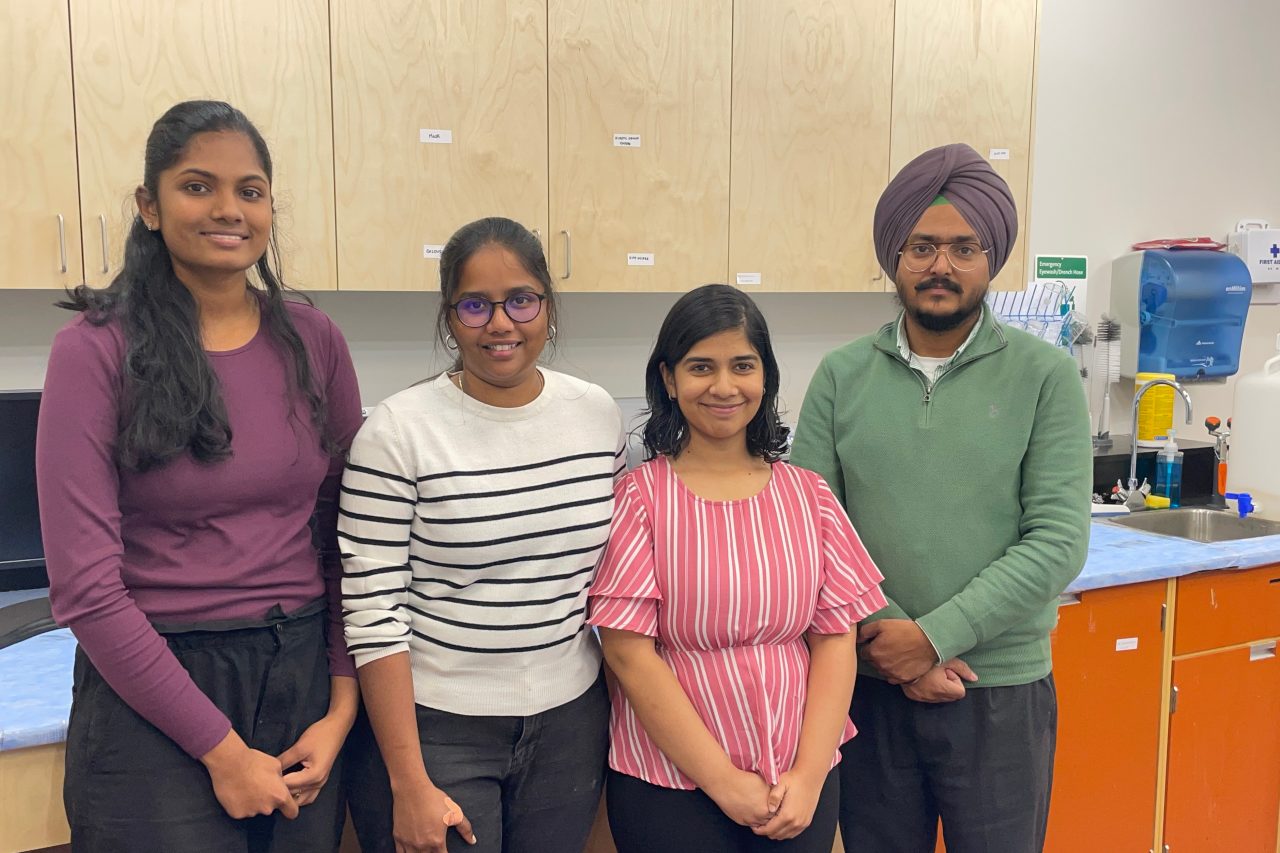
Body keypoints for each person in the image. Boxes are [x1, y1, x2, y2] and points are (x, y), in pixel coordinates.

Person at [36, 100, 363, 852]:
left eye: (250, 190)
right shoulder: (95, 350)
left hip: (301, 677)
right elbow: (86, 589)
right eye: (196, 186)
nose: (228, 209)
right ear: (149, 206)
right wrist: (222, 751)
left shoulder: (315, 341)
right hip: (155, 688)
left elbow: (348, 538)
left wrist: (340, 707)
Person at [789, 142, 1092, 852]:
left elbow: (1057, 541)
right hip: (866, 685)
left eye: (963, 248)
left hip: (1000, 689)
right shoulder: (841, 376)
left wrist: (931, 639)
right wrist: (889, 639)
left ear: (992, 259)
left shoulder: (1044, 376)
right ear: (895, 255)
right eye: (922, 246)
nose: (941, 266)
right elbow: (811, 531)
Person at [339, 216, 624, 853]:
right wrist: (407, 781)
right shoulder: (397, 431)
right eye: (475, 305)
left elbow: (606, 574)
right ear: (449, 316)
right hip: (436, 728)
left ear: (548, 305)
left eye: (521, 300)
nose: (500, 323)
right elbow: (372, 611)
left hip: (571, 723)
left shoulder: (596, 415)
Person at [588, 284, 887, 853]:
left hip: (796, 785)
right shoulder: (639, 499)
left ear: (765, 377)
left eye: (742, 366)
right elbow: (628, 654)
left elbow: (835, 641)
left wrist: (808, 776)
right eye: (701, 367)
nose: (724, 386)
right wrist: (724, 783)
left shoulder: (810, 497)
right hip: (669, 785)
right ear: (669, 379)